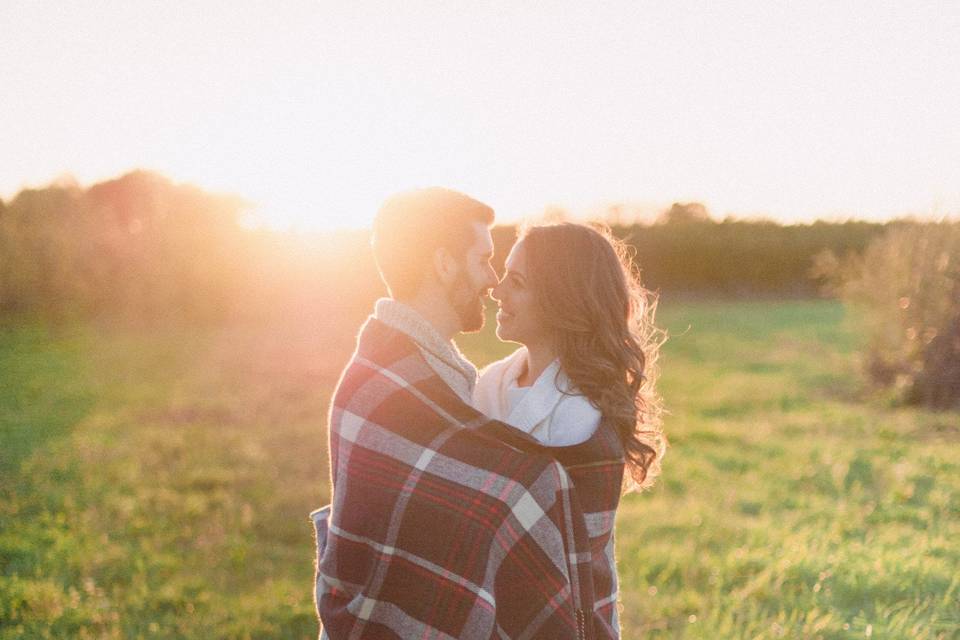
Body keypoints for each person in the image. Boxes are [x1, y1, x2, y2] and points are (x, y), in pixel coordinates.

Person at [313, 188, 622, 639]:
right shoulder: (388, 381)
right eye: (484, 260)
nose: (492, 282)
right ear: (443, 264)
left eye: (512, 277)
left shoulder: (450, 382)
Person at [474, 222, 667, 638]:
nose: (497, 290)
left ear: (561, 299)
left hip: (559, 616)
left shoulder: (580, 414)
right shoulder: (488, 383)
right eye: (503, 275)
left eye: (517, 281)